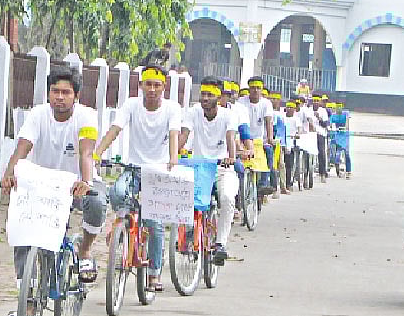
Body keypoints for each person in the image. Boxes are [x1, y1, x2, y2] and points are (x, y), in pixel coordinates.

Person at [0, 65, 105, 316]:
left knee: (96, 202)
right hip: (39, 185)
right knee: (23, 235)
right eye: (55, 91)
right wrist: (9, 174)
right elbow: (22, 147)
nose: (59, 97)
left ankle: (85, 250)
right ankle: (28, 301)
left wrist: (86, 181)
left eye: (66, 92)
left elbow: (86, 152)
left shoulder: (87, 117)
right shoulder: (37, 115)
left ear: (76, 96)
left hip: (73, 186)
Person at [93, 62, 181, 292]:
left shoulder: (172, 109)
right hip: (134, 167)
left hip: (158, 171)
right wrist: (98, 153)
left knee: (155, 223)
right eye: (148, 84)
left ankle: (154, 273)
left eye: (157, 85)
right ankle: (120, 225)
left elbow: (174, 135)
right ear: (140, 85)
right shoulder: (131, 105)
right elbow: (115, 129)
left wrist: (173, 159)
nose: (152, 89)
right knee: (118, 192)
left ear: (164, 87)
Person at [179, 77, 238, 265]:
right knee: (184, 197)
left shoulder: (228, 116)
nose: (205, 98)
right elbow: (184, 135)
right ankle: (188, 232)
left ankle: (220, 243)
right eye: (203, 94)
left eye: (210, 95)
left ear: (219, 98)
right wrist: (173, 154)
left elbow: (230, 138)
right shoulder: (193, 111)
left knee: (228, 198)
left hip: (222, 167)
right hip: (199, 167)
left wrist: (231, 156)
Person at [245, 76, 276, 197]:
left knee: (269, 151)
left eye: (258, 88)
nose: (255, 90)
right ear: (249, 89)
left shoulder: (266, 103)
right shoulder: (242, 102)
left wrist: (270, 138)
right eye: (253, 88)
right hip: (244, 139)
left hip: (260, 140)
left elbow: (268, 121)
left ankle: (264, 183)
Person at [269, 91, 291, 196]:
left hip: (279, 143)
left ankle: (283, 187)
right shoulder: (268, 112)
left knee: (281, 165)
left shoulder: (281, 115)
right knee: (271, 166)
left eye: (276, 99)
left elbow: (283, 130)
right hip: (269, 142)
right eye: (272, 98)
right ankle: (273, 189)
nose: (273, 101)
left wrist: (284, 143)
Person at [328, 101, 352, 179]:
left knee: (347, 153)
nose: (338, 109)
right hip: (337, 134)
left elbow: (347, 123)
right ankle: (333, 163)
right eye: (337, 107)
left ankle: (348, 171)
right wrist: (330, 128)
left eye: (340, 107)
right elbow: (330, 124)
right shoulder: (333, 115)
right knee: (334, 150)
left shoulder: (345, 114)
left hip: (344, 134)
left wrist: (346, 128)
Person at [313, 94, 331, 182]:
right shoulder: (308, 110)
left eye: (317, 101)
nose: (315, 103)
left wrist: (319, 118)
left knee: (321, 153)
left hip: (320, 134)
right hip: (311, 134)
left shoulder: (323, 111)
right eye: (314, 101)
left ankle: (323, 173)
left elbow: (325, 124)